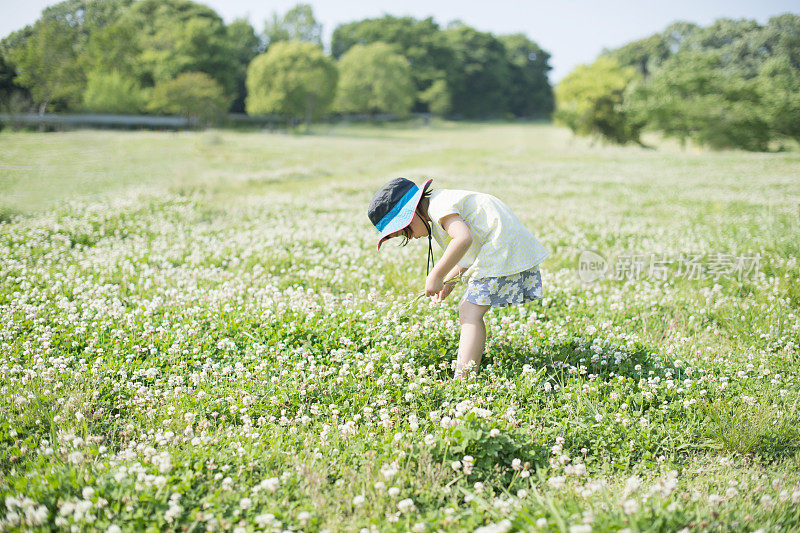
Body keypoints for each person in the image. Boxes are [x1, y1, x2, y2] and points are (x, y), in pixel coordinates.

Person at [368, 177, 549, 378]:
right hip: (500, 242)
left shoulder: (439, 208)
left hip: (501, 244)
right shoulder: (438, 207)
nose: (410, 237)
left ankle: (464, 379)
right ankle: (466, 375)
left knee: (469, 311)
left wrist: (437, 274)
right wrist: (449, 282)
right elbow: (469, 250)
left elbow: (463, 239)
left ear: (412, 213)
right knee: (469, 309)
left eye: (405, 231)